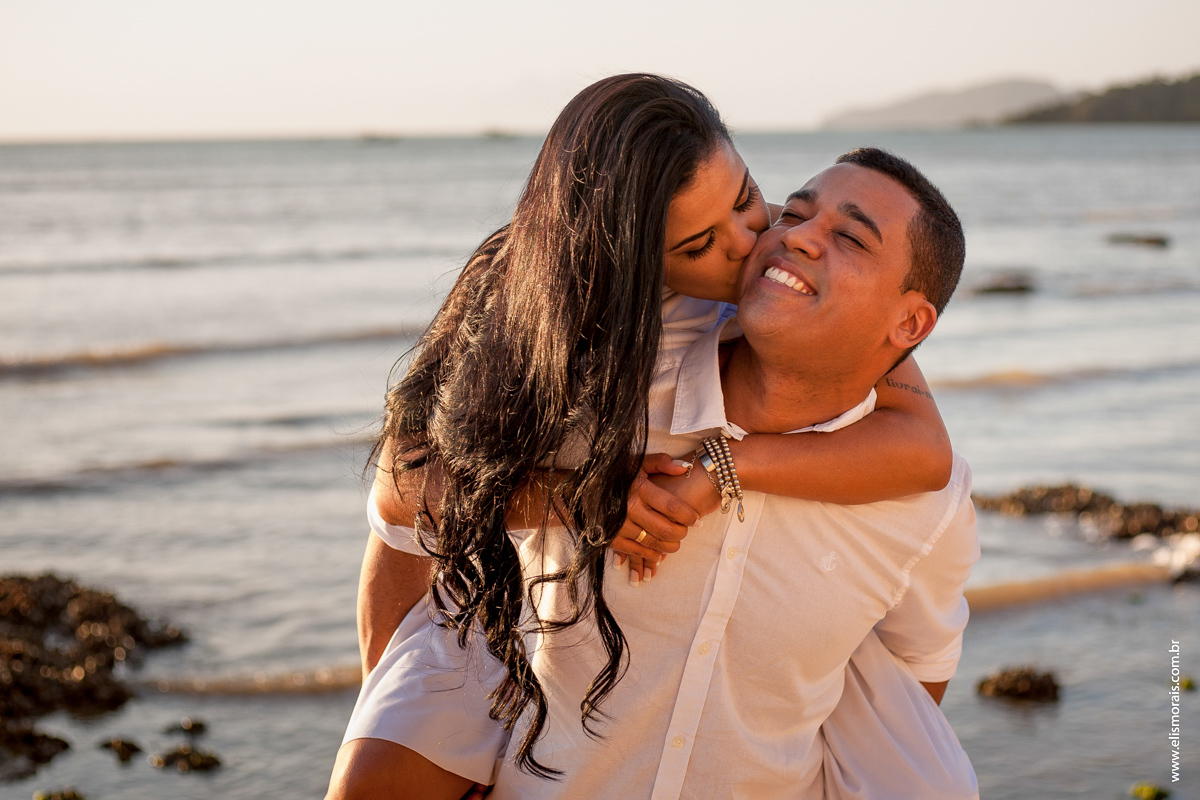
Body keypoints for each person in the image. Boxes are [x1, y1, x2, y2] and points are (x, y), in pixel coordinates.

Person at [326, 75, 965, 799]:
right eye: (700, 244)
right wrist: (594, 496)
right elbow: (402, 499)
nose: (756, 242)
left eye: (750, 197)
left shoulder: (802, 271)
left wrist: (725, 465)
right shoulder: (582, 341)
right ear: (639, 267)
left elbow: (925, 453)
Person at [486, 149, 978, 798]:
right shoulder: (614, 373)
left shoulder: (924, 505)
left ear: (910, 323)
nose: (797, 236)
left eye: (851, 237)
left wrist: (724, 469)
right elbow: (416, 488)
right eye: (792, 214)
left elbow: (916, 678)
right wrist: (587, 492)